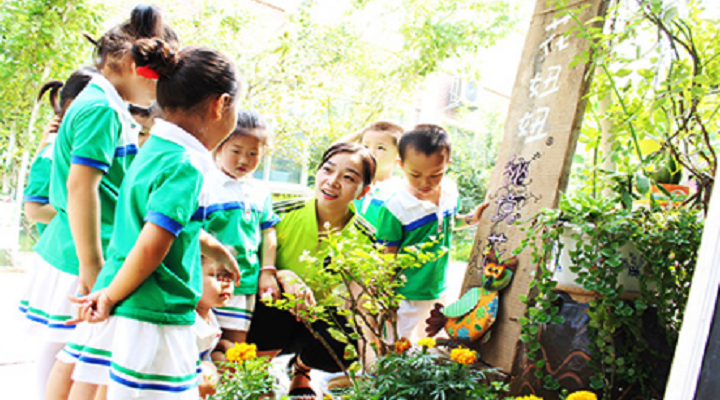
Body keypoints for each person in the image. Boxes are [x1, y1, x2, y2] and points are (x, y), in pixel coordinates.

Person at [64, 38, 242, 400]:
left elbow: (170, 227)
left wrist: (218, 250)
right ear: (222, 105)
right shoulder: (186, 165)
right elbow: (152, 245)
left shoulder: (154, 149)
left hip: (124, 294)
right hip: (153, 312)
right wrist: (109, 297)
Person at [246, 142, 376, 400]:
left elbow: (362, 308)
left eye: (348, 177)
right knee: (271, 299)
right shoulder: (280, 215)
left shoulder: (366, 238)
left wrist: (375, 371)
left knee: (347, 336)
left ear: (364, 191)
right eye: (327, 170)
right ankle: (256, 376)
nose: (333, 181)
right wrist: (284, 276)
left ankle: (301, 372)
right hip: (272, 311)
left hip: (317, 320)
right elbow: (251, 266)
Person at [19, 67, 96, 400]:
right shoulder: (54, 152)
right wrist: (83, 213)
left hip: (73, 257)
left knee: (71, 348)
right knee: (59, 347)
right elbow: (34, 209)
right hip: (65, 260)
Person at [376, 124, 489, 343]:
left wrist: (471, 219)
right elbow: (386, 256)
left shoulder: (449, 191)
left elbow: (447, 224)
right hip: (406, 294)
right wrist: (385, 296)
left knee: (431, 342)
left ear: (448, 165)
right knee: (398, 345)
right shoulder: (395, 207)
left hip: (438, 288)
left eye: (436, 174)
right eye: (415, 174)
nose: (425, 183)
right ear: (401, 165)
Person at [203, 110, 280, 350]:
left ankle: (230, 387)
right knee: (203, 342)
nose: (243, 160)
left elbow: (268, 232)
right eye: (236, 151)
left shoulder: (260, 192)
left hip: (242, 282)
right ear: (220, 147)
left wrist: (267, 271)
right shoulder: (205, 185)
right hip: (206, 281)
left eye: (253, 153)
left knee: (236, 348)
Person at [195, 254, 235, 398]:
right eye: (216, 276)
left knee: (224, 362)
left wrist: (223, 345)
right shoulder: (188, 322)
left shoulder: (210, 316)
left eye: (229, 277)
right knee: (208, 375)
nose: (226, 284)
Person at [352, 121, 405, 228]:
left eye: (380, 148)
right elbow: (332, 153)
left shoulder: (398, 194)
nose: (370, 152)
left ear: (399, 156)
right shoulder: (351, 184)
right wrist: (364, 131)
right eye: (365, 146)